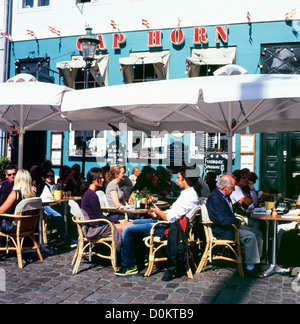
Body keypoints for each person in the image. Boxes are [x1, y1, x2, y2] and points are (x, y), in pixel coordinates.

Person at [115, 166, 201, 277]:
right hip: (165, 222)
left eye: (178, 178)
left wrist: (158, 211)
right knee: (133, 223)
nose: (176, 180)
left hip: (166, 227)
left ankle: (129, 266)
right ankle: (139, 259)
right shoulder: (190, 193)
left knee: (128, 230)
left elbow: (170, 218)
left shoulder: (188, 195)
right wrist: (159, 213)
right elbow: (174, 214)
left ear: (185, 179)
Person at [206, 174, 264, 278]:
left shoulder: (224, 196)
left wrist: (241, 203)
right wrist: (236, 221)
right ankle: (249, 267)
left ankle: (256, 262)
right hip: (223, 230)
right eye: (232, 187)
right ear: (226, 187)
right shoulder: (215, 198)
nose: (233, 190)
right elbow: (221, 219)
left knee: (258, 233)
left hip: (230, 226)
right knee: (250, 236)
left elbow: (229, 212)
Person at [81, 168, 132, 253]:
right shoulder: (91, 195)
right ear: (93, 180)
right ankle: (126, 255)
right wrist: (118, 221)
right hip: (96, 227)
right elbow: (99, 216)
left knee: (129, 225)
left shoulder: (89, 193)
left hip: (96, 225)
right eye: (100, 178)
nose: (103, 180)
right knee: (130, 227)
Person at [39, 169, 67, 245]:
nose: (50, 178)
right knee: (59, 216)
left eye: (52, 176)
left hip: (54, 205)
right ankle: (63, 238)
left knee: (66, 214)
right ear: (43, 177)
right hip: (45, 206)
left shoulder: (54, 185)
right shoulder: (43, 186)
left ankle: (64, 236)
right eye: (48, 176)